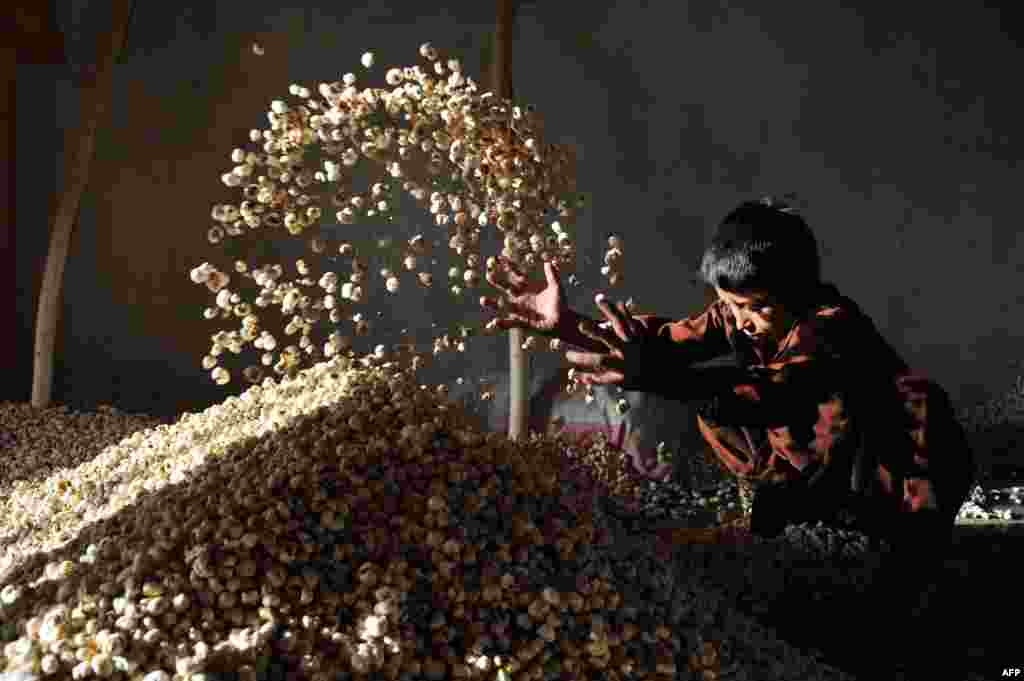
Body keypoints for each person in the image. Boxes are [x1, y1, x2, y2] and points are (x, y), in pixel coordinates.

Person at [480, 197, 975, 550]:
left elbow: (774, 394)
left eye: (753, 308)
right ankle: (798, 500)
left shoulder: (829, 327)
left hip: (901, 460)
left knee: (904, 558)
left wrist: (649, 373)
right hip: (823, 456)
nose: (739, 320)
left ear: (795, 292)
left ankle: (880, 531)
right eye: (728, 305)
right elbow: (656, 346)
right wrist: (566, 324)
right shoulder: (737, 317)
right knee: (712, 405)